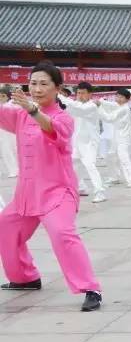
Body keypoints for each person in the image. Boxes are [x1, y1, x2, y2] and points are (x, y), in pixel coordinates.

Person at [0, 63, 103, 311]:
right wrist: (27, 109)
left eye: (44, 83)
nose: (36, 89)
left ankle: (90, 288)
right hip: (26, 195)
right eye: (33, 83)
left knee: (62, 234)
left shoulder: (64, 118)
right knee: (5, 229)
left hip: (57, 193)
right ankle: (25, 277)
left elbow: (52, 129)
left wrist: (33, 110)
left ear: (58, 88)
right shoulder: (20, 115)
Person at [63, 83, 107, 203]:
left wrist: (60, 96)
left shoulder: (91, 106)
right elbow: (66, 110)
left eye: (83, 93)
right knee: (73, 165)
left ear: (89, 94)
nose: (80, 95)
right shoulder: (75, 105)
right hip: (77, 141)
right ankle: (81, 188)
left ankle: (100, 192)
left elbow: (79, 110)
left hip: (90, 142)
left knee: (89, 165)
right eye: (78, 93)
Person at [96, 90, 131, 189]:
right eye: (117, 96)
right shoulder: (118, 105)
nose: (118, 99)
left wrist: (99, 107)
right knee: (111, 155)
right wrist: (101, 102)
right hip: (116, 136)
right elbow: (111, 104)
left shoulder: (124, 108)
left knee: (123, 157)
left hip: (123, 137)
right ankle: (114, 177)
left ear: (127, 99)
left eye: (121, 97)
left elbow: (109, 118)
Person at [0, 89, 17, 179]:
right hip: (3, 133)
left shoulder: (12, 104)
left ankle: (16, 170)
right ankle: (13, 170)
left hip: (11, 131)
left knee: (14, 150)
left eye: (3, 96)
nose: (1, 98)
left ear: (8, 96)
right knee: (6, 151)